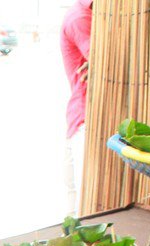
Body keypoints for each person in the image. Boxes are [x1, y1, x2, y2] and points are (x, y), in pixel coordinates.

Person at [60, 0, 93, 217]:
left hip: (83, 118)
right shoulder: (80, 17)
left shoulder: (86, 14)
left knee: (77, 206)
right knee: (84, 204)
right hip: (86, 119)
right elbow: (101, 60)